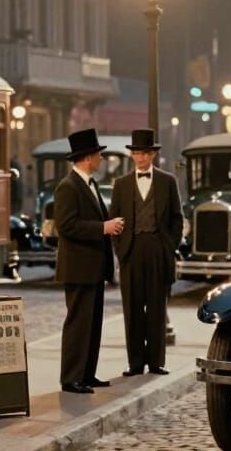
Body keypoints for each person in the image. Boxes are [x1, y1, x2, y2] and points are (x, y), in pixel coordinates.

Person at [53, 129, 124, 394]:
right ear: (87, 158)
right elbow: (67, 226)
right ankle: (71, 377)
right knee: (78, 324)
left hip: (92, 267)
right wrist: (103, 228)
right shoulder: (68, 187)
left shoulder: (88, 184)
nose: (102, 159)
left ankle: (87, 373)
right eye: (98, 155)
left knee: (92, 325)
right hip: (78, 267)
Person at [108, 128, 183, 377]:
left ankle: (156, 362)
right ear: (132, 156)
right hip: (131, 250)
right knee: (132, 309)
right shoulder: (121, 184)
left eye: (144, 153)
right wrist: (120, 251)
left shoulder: (167, 181)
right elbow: (114, 221)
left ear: (152, 155)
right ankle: (135, 363)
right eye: (136, 154)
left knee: (156, 308)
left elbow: (176, 219)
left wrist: (168, 246)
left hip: (157, 249)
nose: (140, 158)